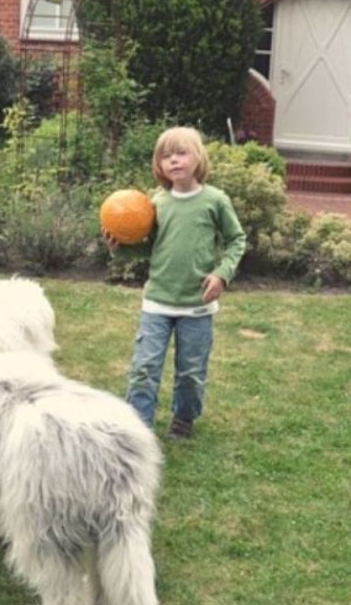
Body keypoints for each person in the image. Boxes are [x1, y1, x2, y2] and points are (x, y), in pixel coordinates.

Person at [104, 126, 247, 439]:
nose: (174, 161)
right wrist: (121, 249)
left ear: (198, 158)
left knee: (190, 373)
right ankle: (139, 426)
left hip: (197, 307)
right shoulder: (156, 204)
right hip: (157, 303)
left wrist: (222, 274)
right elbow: (150, 246)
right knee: (144, 367)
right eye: (166, 156)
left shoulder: (215, 201)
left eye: (181, 153)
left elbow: (237, 240)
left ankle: (184, 418)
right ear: (159, 165)